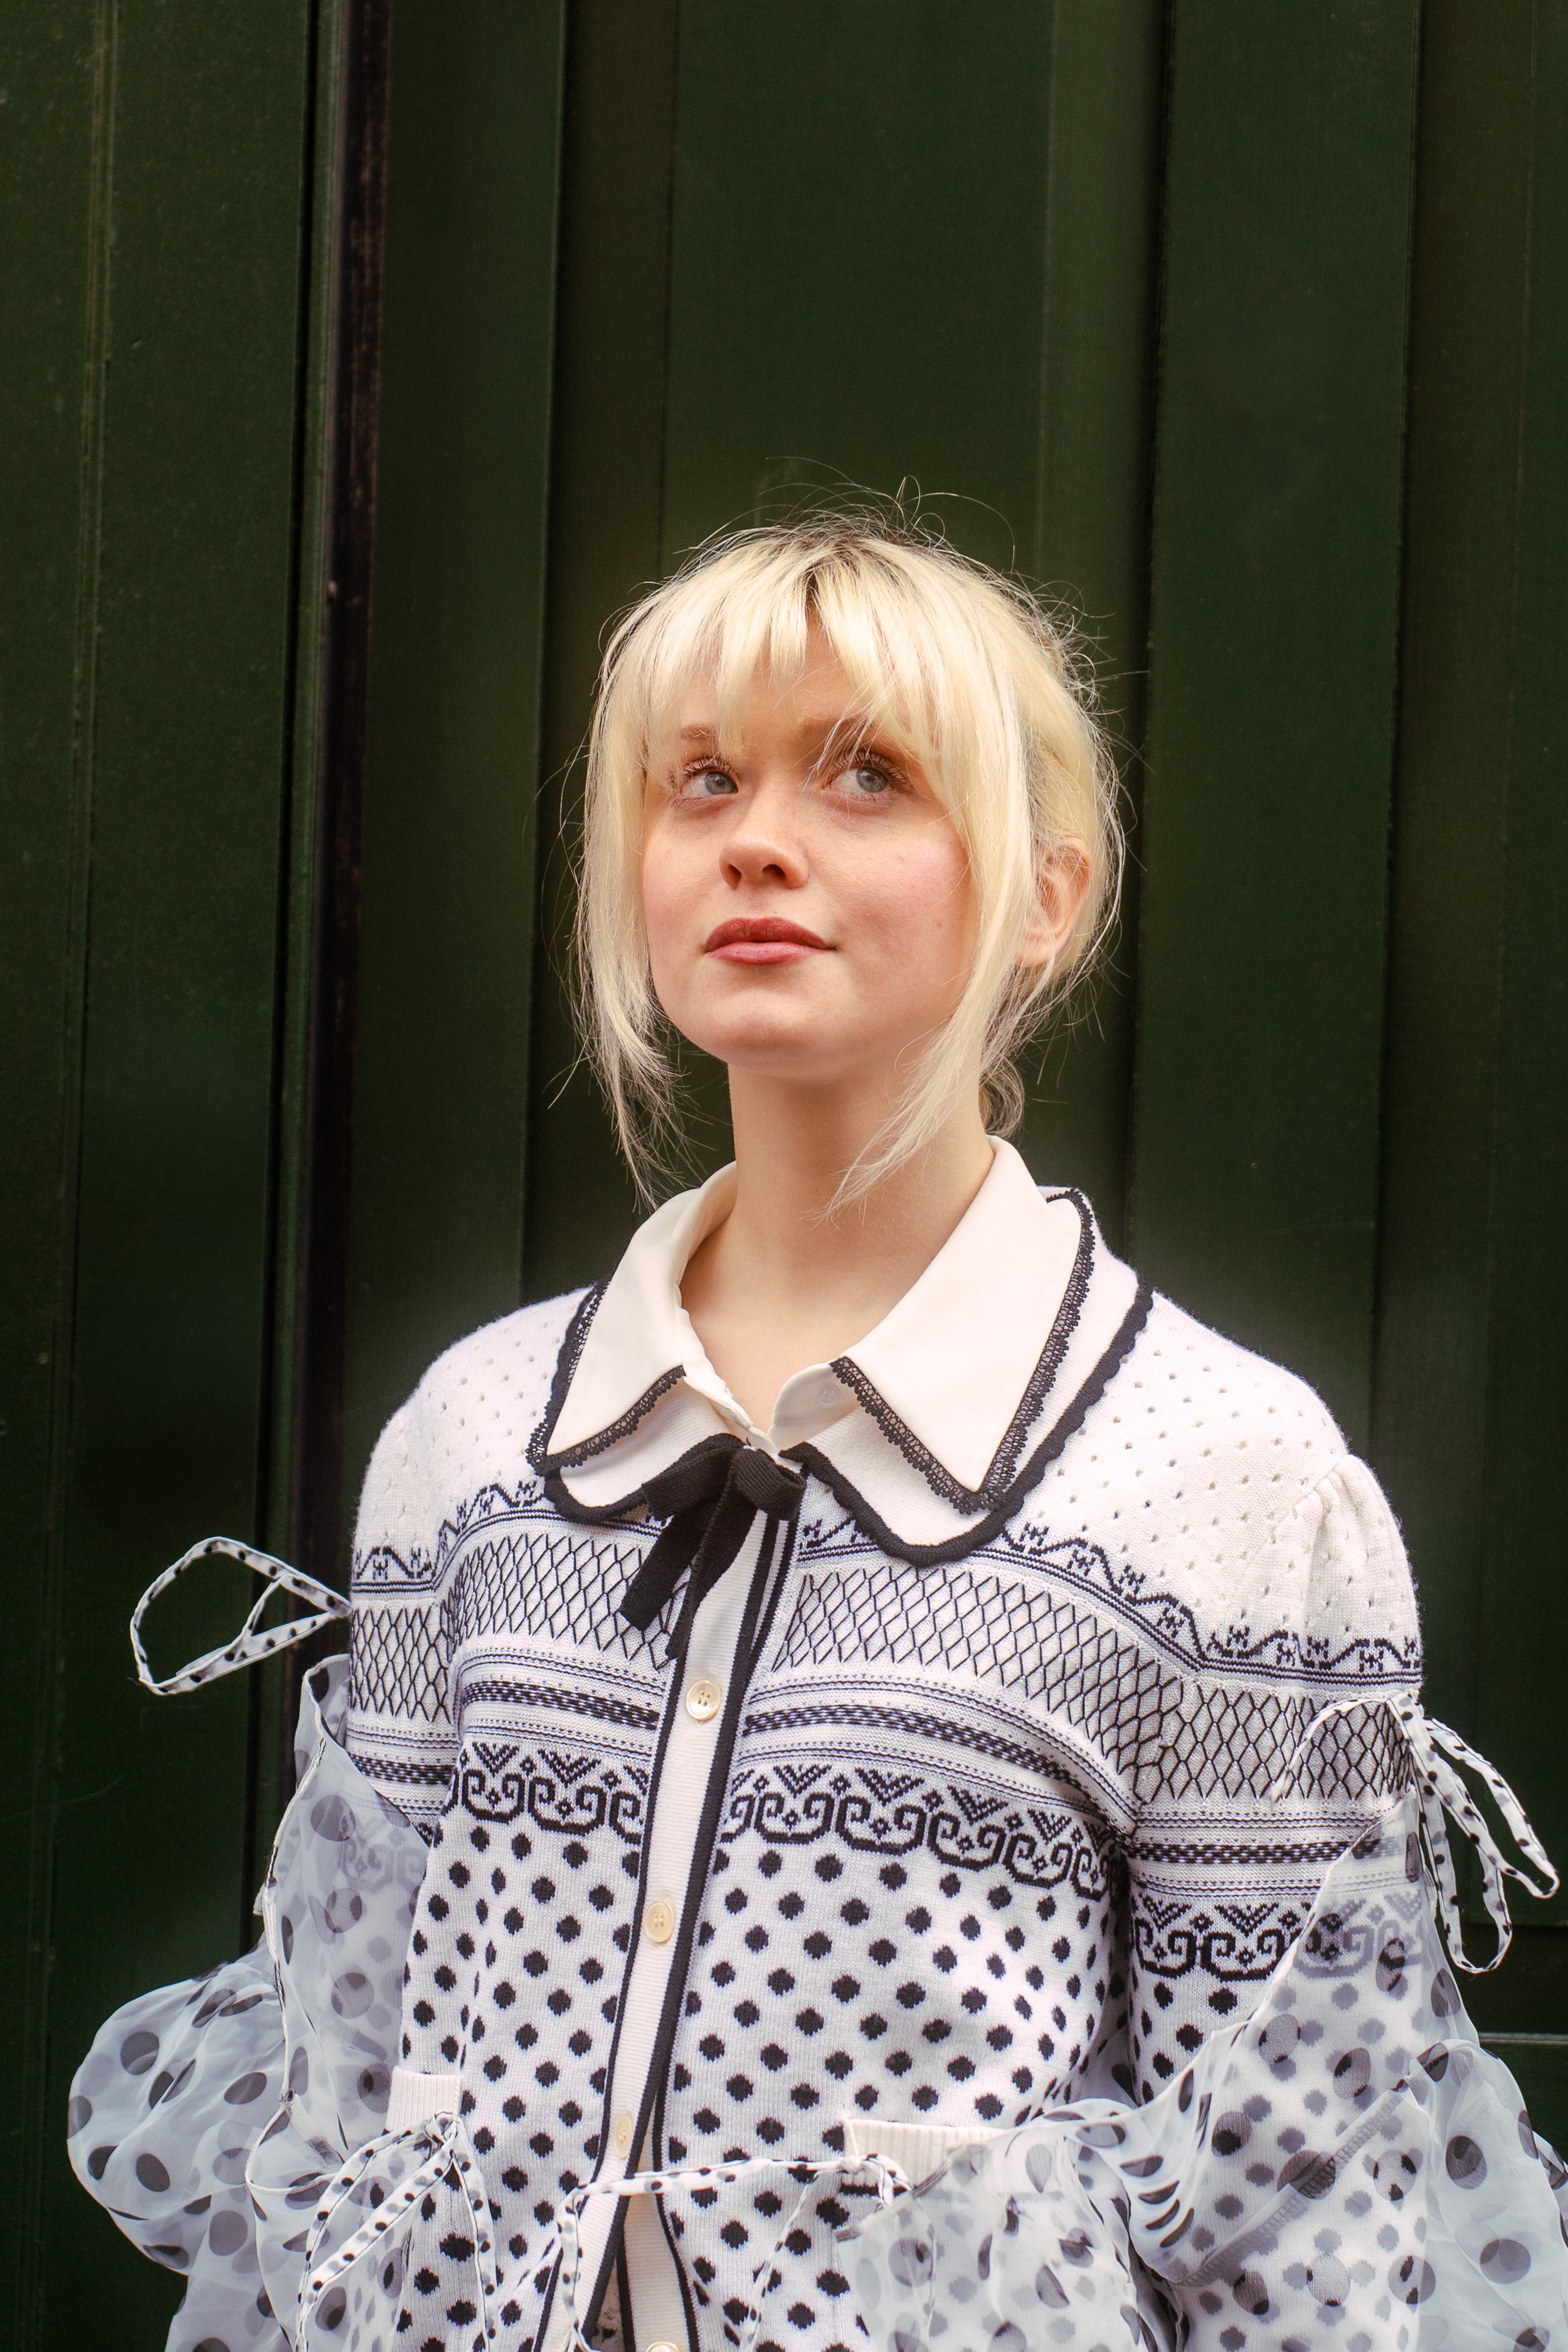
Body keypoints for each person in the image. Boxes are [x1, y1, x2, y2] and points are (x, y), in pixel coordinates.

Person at [72, 517, 1565, 2352]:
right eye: (698, 779)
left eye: (867, 773)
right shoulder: (474, 1439)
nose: (756, 837)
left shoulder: (1217, 1475)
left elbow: (1302, 2198)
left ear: (1047, 894)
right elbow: (348, 2073)